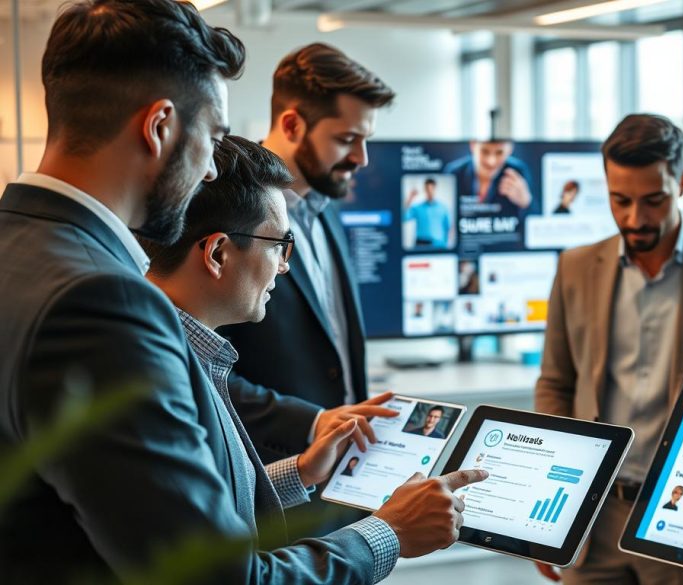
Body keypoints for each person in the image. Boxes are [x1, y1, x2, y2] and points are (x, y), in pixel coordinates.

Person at [0, 2, 486, 583]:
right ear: (159, 127)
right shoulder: (102, 300)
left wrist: (296, 473)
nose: (210, 171)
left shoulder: (23, 248)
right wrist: (389, 532)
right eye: (212, 137)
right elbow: (216, 577)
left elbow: (136, 506)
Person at [534, 114, 683, 585]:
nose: (635, 218)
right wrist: (547, 507)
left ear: (682, 182)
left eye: (654, 200)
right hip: (590, 511)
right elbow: (555, 384)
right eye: (620, 200)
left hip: (681, 510)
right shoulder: (575, 267)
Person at [143, 135, 403, 510]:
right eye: (278, 245)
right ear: (218, 254)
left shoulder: (186, 353)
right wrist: (391, 530)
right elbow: (213, 544)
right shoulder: (158, 378)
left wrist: (302, 470)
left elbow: (218, 507)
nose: (283, 265)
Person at [218, 43, 396, 534]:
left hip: (346, 483)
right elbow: (204, 365)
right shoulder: (225, 211)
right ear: (293, 124)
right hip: (267, 487)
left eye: (366, 139)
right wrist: (314, 422)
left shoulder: (327, 209)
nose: (361, 158)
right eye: (347, 139)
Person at [443, 139, 534, 217]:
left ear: (510, 149)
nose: (491, 162)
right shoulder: (454, 172)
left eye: (499, 152)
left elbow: (535, 219)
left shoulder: (518, 172)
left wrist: (526, 203)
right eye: (484, 151)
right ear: (473, 145)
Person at [403, 177, 451, 248]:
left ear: (435, 188)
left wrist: (446, 245)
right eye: (427, 189)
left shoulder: (444, 208)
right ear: (425, 190)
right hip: (421, 244)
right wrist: (410, 198)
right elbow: (403, 218)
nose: (430, 192)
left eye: (431, 189)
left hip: (438, 244)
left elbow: (449, 227)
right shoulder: (418, 207)